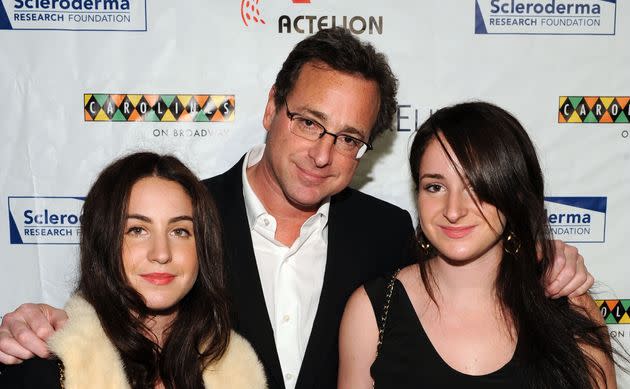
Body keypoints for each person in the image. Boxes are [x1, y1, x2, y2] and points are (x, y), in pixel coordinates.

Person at [0, 29, 592, 389]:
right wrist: (44, 324)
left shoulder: (386, 231)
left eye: (348, 136)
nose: (322, 152)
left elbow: (466, 280)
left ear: (366, 149)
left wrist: (546, 254)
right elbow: (119, 316)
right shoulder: (188, 217)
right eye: (309, 121)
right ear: (271, 108)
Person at [338, 102, 617, 388]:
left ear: (515, 196)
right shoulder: (372, 311)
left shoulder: (568, 304)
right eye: (435, 187)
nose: (454, 210)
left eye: (476, 188)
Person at [0, 152, 266, 388]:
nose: (161, 253)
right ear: (105, 242)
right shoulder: (45, 369)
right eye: (137, 230)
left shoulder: (238, 374)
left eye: (180, 231)